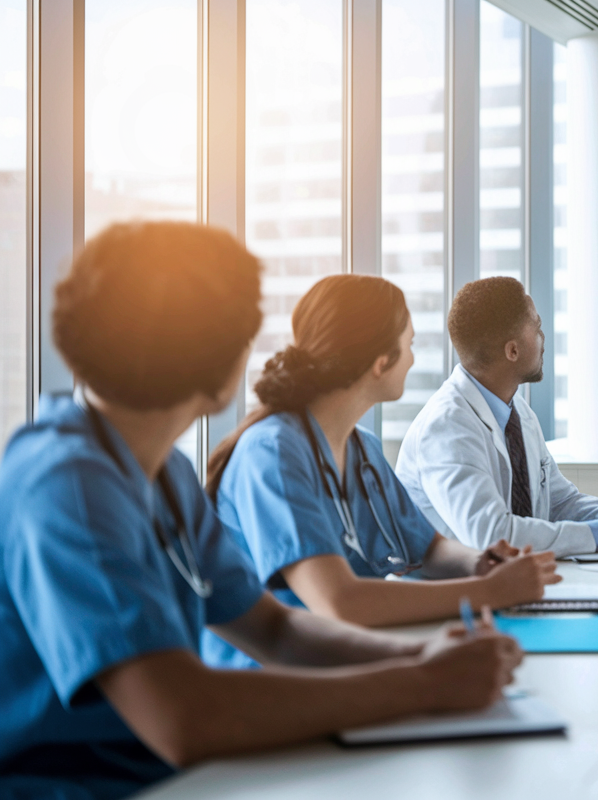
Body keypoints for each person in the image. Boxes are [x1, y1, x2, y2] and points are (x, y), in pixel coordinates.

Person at [0, 223, 522, 799]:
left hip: (174, 771)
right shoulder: (69, 485)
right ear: (218, 356)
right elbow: (182, 719)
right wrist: (419, 684)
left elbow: (273, 628)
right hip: (79, 785)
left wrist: (424, 655)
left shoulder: (163, 472)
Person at [202, 274, 559, 668]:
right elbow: (340, 603)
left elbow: (428, 548)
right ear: (379, 363)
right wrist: (486, 591)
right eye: (408, 346)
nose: (412, 359)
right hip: (276, 676)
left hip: (358, 655)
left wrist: (478, 563)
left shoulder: (364, 450)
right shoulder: (271, 453)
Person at [397, 277, 598, 558]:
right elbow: (491, 535)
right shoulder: (446, 426)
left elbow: (559, 502)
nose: (543, 338)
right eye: (537, 327)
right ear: (512, 350)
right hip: (453, 594)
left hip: (510, 583)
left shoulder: (518, 412)